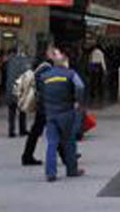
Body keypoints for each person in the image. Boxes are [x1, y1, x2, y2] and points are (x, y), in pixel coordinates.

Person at [38, 44, 84, 182]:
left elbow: (40, 93)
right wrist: (77, 100)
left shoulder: (44, 76)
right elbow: (80, 87)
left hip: (51, 112)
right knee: (69, 141)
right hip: (66, 112)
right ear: (64, 62)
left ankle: (50, 172)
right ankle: (72, 170)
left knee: (52, 143)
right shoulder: (70, 74)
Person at [20, 55, 53, 166]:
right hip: (45, 107)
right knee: (54, 130)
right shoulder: (46, 70)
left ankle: (27, 155)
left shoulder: (38, 70)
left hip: (41, 106)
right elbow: (46, 89)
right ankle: (27, 156)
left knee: (37, 131)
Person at [5, 48, 31, 138]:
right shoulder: (25, 62)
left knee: (12, 111)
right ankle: (22, 129)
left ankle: (11, 131)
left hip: (11, 89)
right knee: (22, 110)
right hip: (21, 89)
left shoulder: (9, 62)